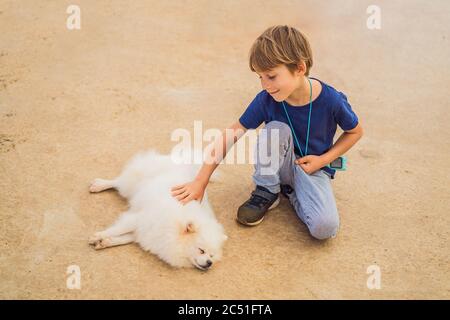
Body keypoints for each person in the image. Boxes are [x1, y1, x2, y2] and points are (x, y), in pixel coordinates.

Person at [171, 25, 363, 240]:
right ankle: (267, 190)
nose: (265, 85)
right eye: (260, 77)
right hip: (278, 164)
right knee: (276, 130)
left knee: (324, 229)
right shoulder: (266, 100)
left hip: (313, 168)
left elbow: (355, 132)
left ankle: (291, 192)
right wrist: (201, 180)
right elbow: (231, 133)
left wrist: (323, 160)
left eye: (271, 76)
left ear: (299, 68)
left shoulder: (331, 100)